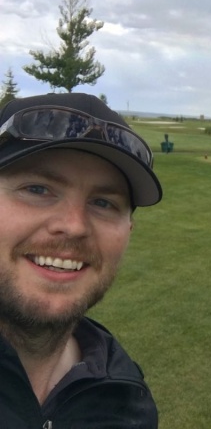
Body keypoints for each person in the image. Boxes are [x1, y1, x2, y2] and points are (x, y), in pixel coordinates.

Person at [0, 93, 162, 427]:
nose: (74, 226)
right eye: (37, 189)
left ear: (128, 230)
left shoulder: (127, 405)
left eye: (103, 203)